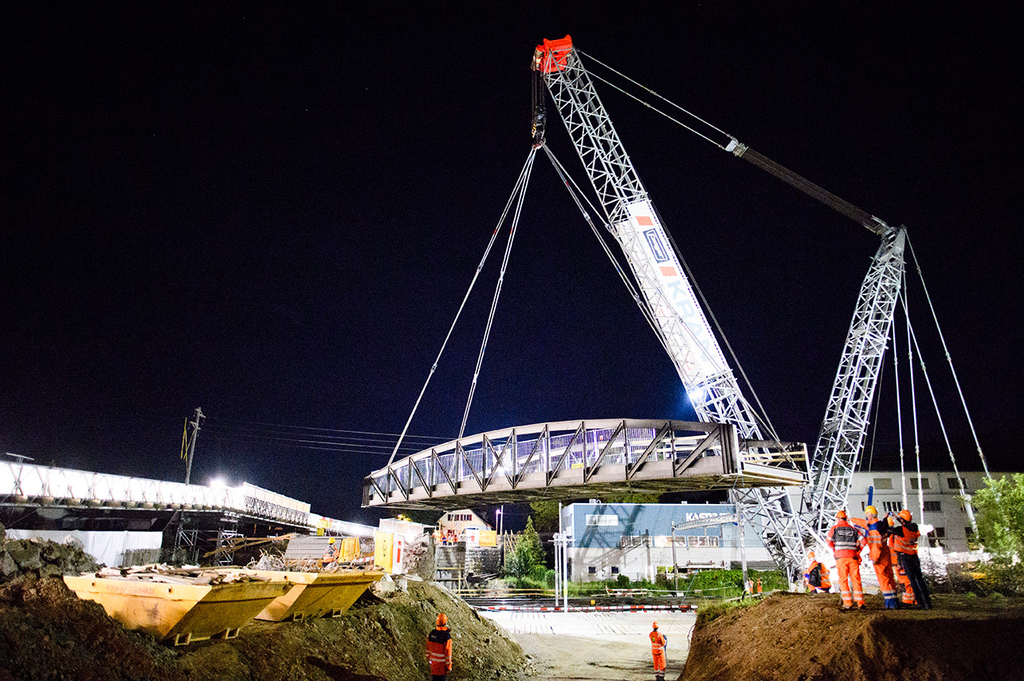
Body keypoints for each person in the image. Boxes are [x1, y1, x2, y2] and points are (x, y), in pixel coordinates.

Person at [890, 509, 933, 609]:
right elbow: (906, 524)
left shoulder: (901, 530)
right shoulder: (914, 528)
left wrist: (886, 519)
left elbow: (889, 529)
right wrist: (897, 517)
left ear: (903, 521)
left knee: (913, 581)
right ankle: (927, 603)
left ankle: (920, 603)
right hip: (914, 557)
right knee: (920, 580)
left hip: (906, 558)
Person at [827, 509, 867, 610]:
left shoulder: (834, 529)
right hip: (853, 557)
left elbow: (829, 542)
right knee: (856, 579)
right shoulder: (853, 529)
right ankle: (860, 602)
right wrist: (858, 551)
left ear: (839, 519)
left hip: (841, 558)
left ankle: (847, 603)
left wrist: (836, 550)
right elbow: (864, 541)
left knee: (843, 580)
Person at [864, 506, 899, 609]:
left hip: (879, 557)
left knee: (883, 579)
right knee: (889, 578)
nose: (866, 516)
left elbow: (875, 546)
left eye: (867, 514)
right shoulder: (881, 525)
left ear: (870, 515)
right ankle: (894, 601)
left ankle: (889, 603)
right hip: (886, 554)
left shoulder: (874, 529)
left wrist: (874, 558)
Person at [426, 613, 453, 680]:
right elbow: (448, 653)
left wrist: (430, 660)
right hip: (442, 667)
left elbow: (428, 650)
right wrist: (449, 666)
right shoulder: (446, 636)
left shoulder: (432, 634)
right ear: (445, 622)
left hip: (433, 665)